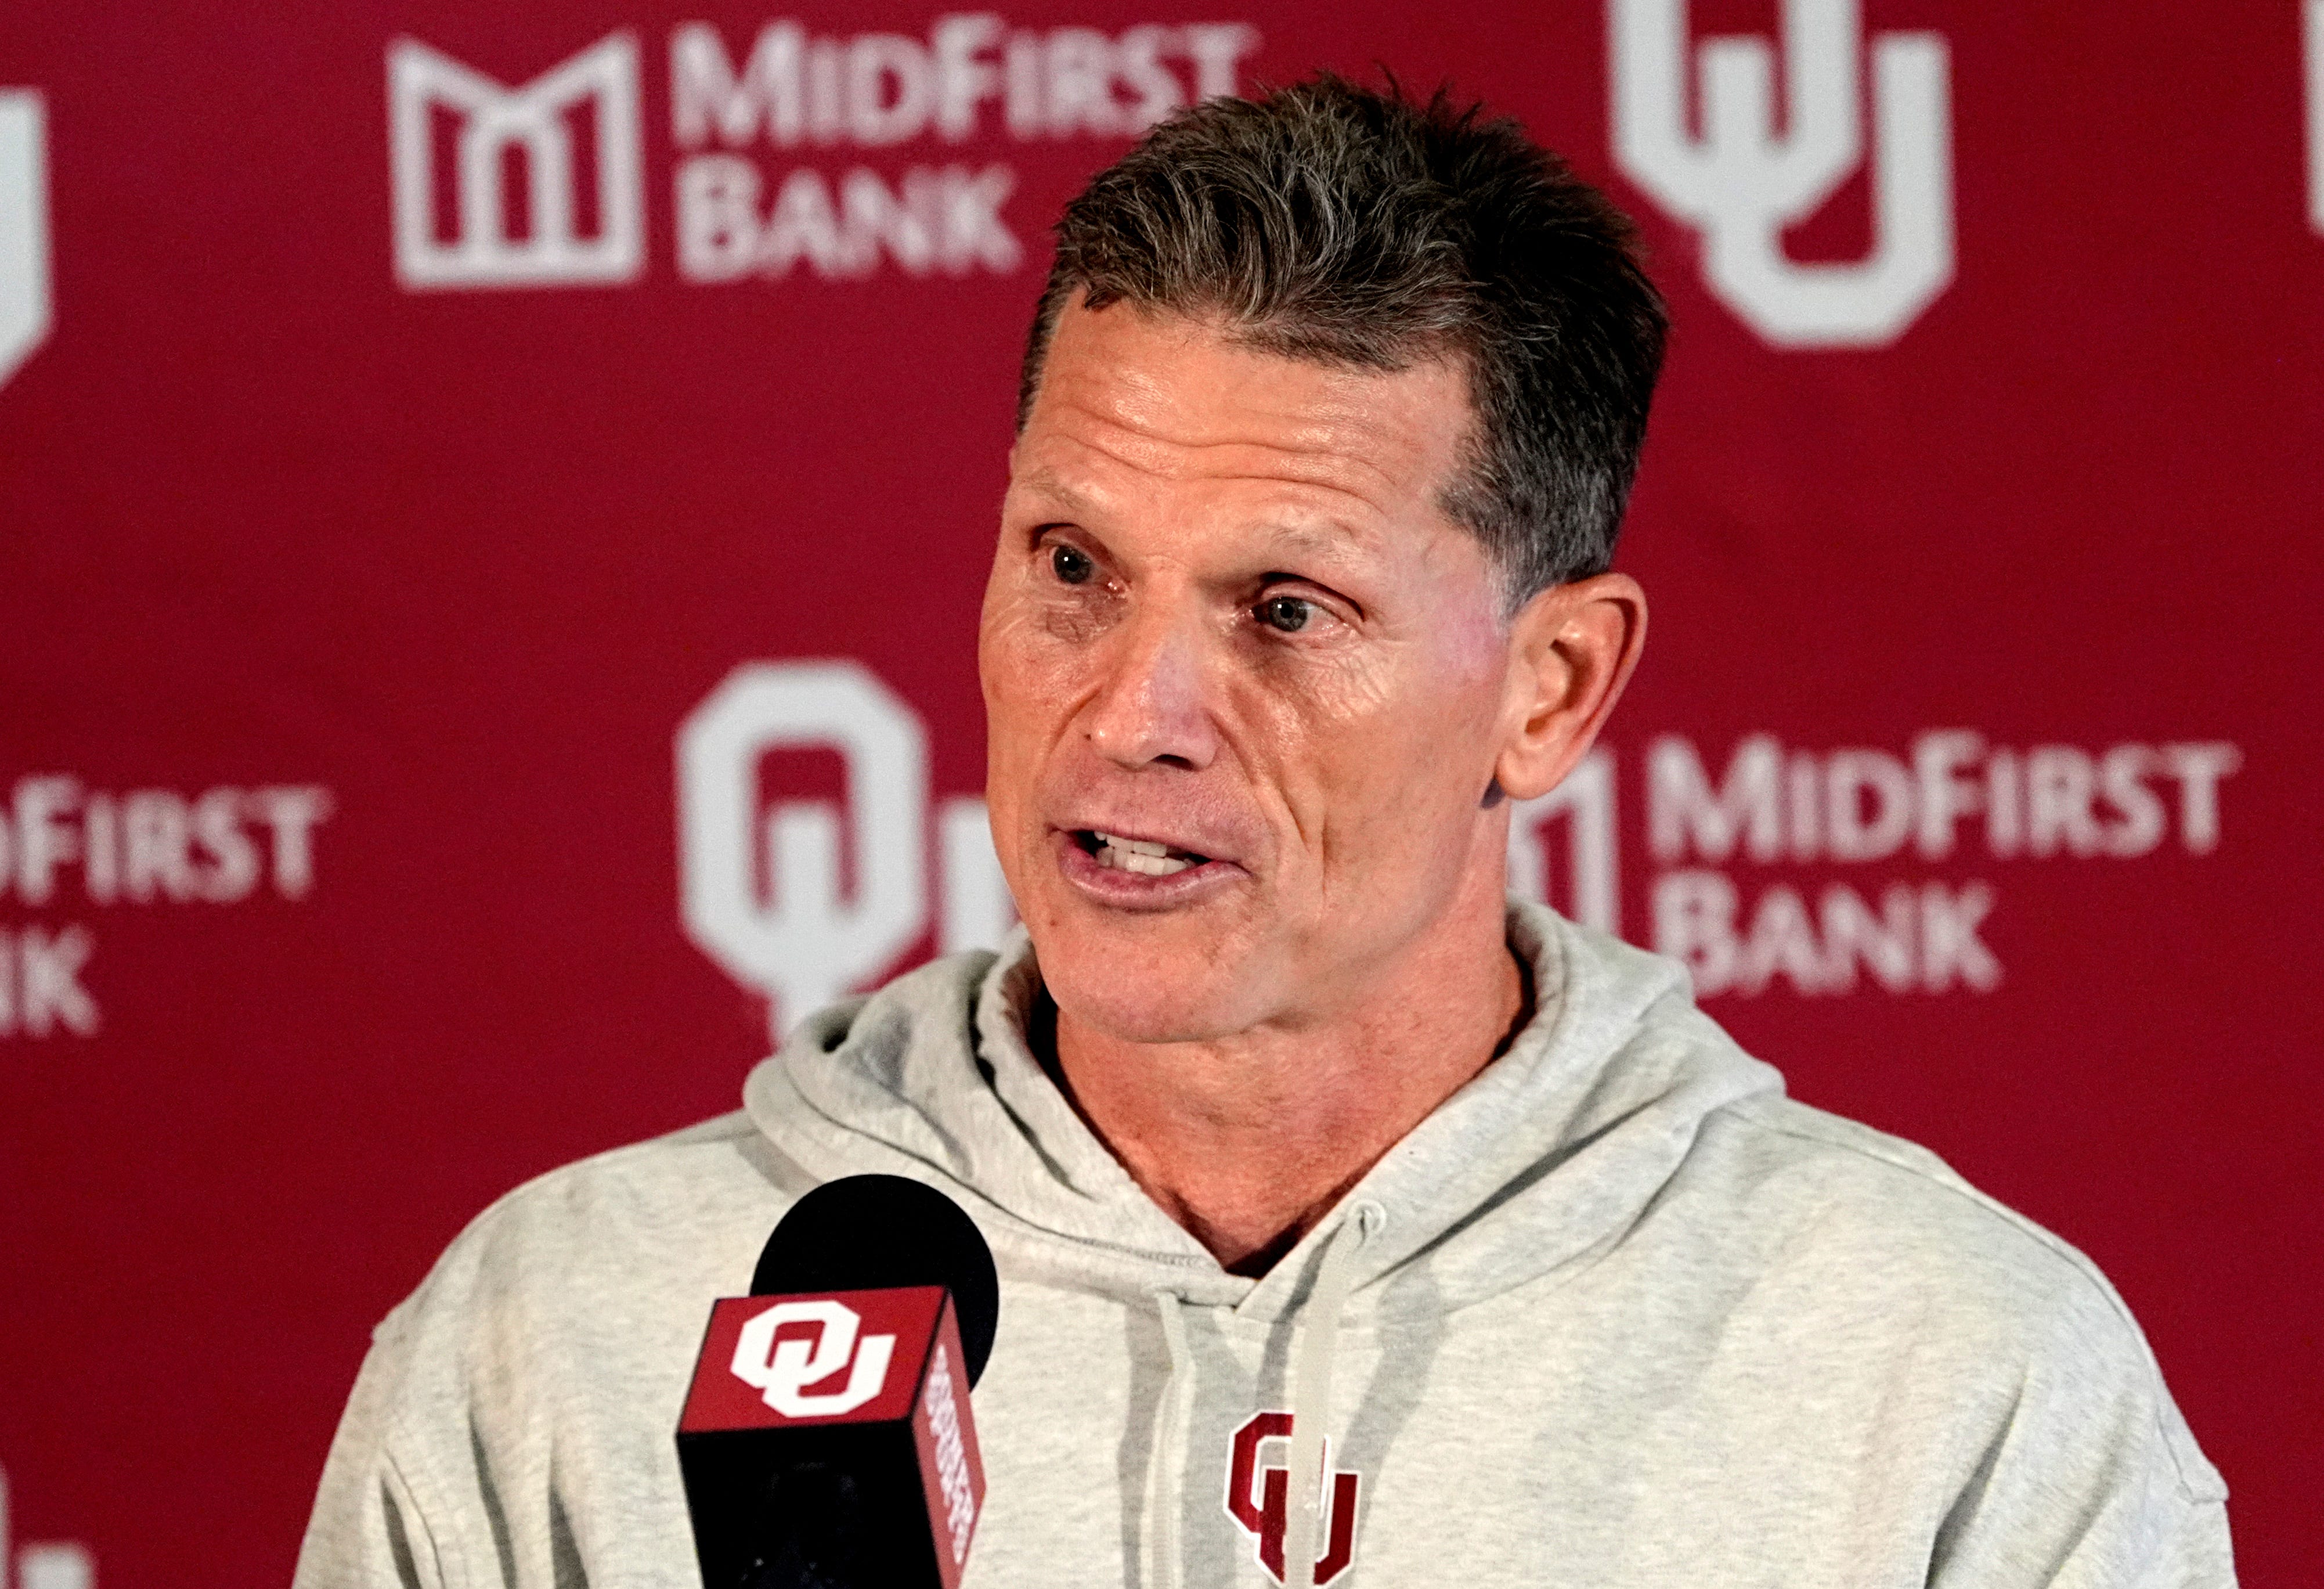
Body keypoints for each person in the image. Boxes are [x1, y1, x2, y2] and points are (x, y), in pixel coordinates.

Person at [296, 77, 2233, 1587]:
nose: (1130, 715)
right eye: (1071, 565)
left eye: (1283, 610)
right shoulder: (553, 1342)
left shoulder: (1945, 1376)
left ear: (1551, 687)